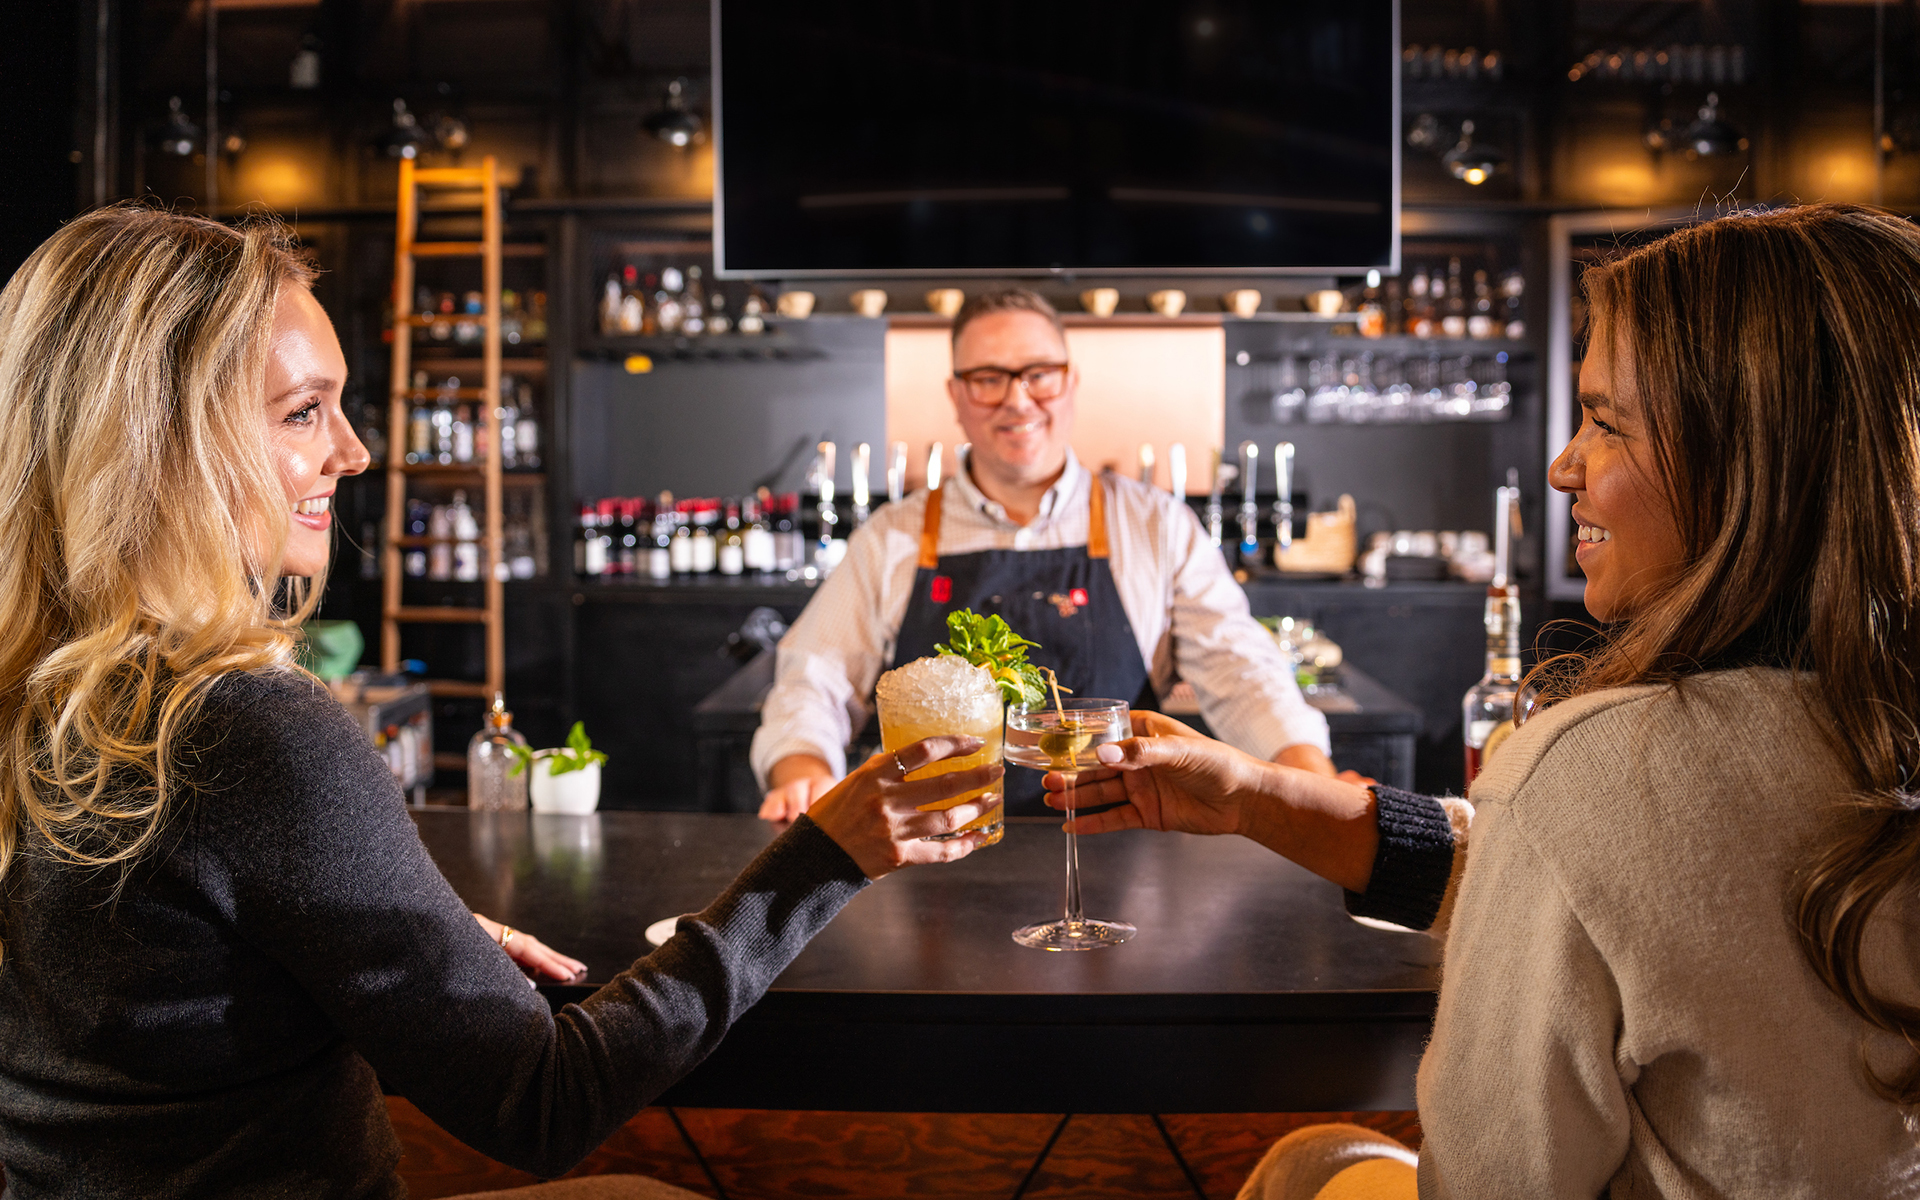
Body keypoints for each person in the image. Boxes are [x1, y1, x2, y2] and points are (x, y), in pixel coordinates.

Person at [0, 206, 1001, 1200]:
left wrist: (379, 941)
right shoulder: (247, 730)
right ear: (161, 441)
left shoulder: (46, 695)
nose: (354, 451)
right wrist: (828, 855)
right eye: (303, 412)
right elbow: (546, 1100)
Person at [1047, 205, 1920, 1197]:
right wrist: (1260, 797)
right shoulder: (1868, 734)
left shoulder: (1596, 772)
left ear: (1751, 462)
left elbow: (1487, 1176)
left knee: (1307, 1162)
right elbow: (1616, 900)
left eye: (1605, 422)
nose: (1562, 466)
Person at [756, 287, 1339, 823]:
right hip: (933, 848)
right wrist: (802, 770)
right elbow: (814, 679)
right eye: (988, 378)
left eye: (1039, 374)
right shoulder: (892, 535)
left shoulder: (1155, 524)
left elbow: (1240, 668)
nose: (1018, 399)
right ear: (956, 395)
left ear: (1071, 382)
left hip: (1120, 851)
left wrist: (1306, 774)